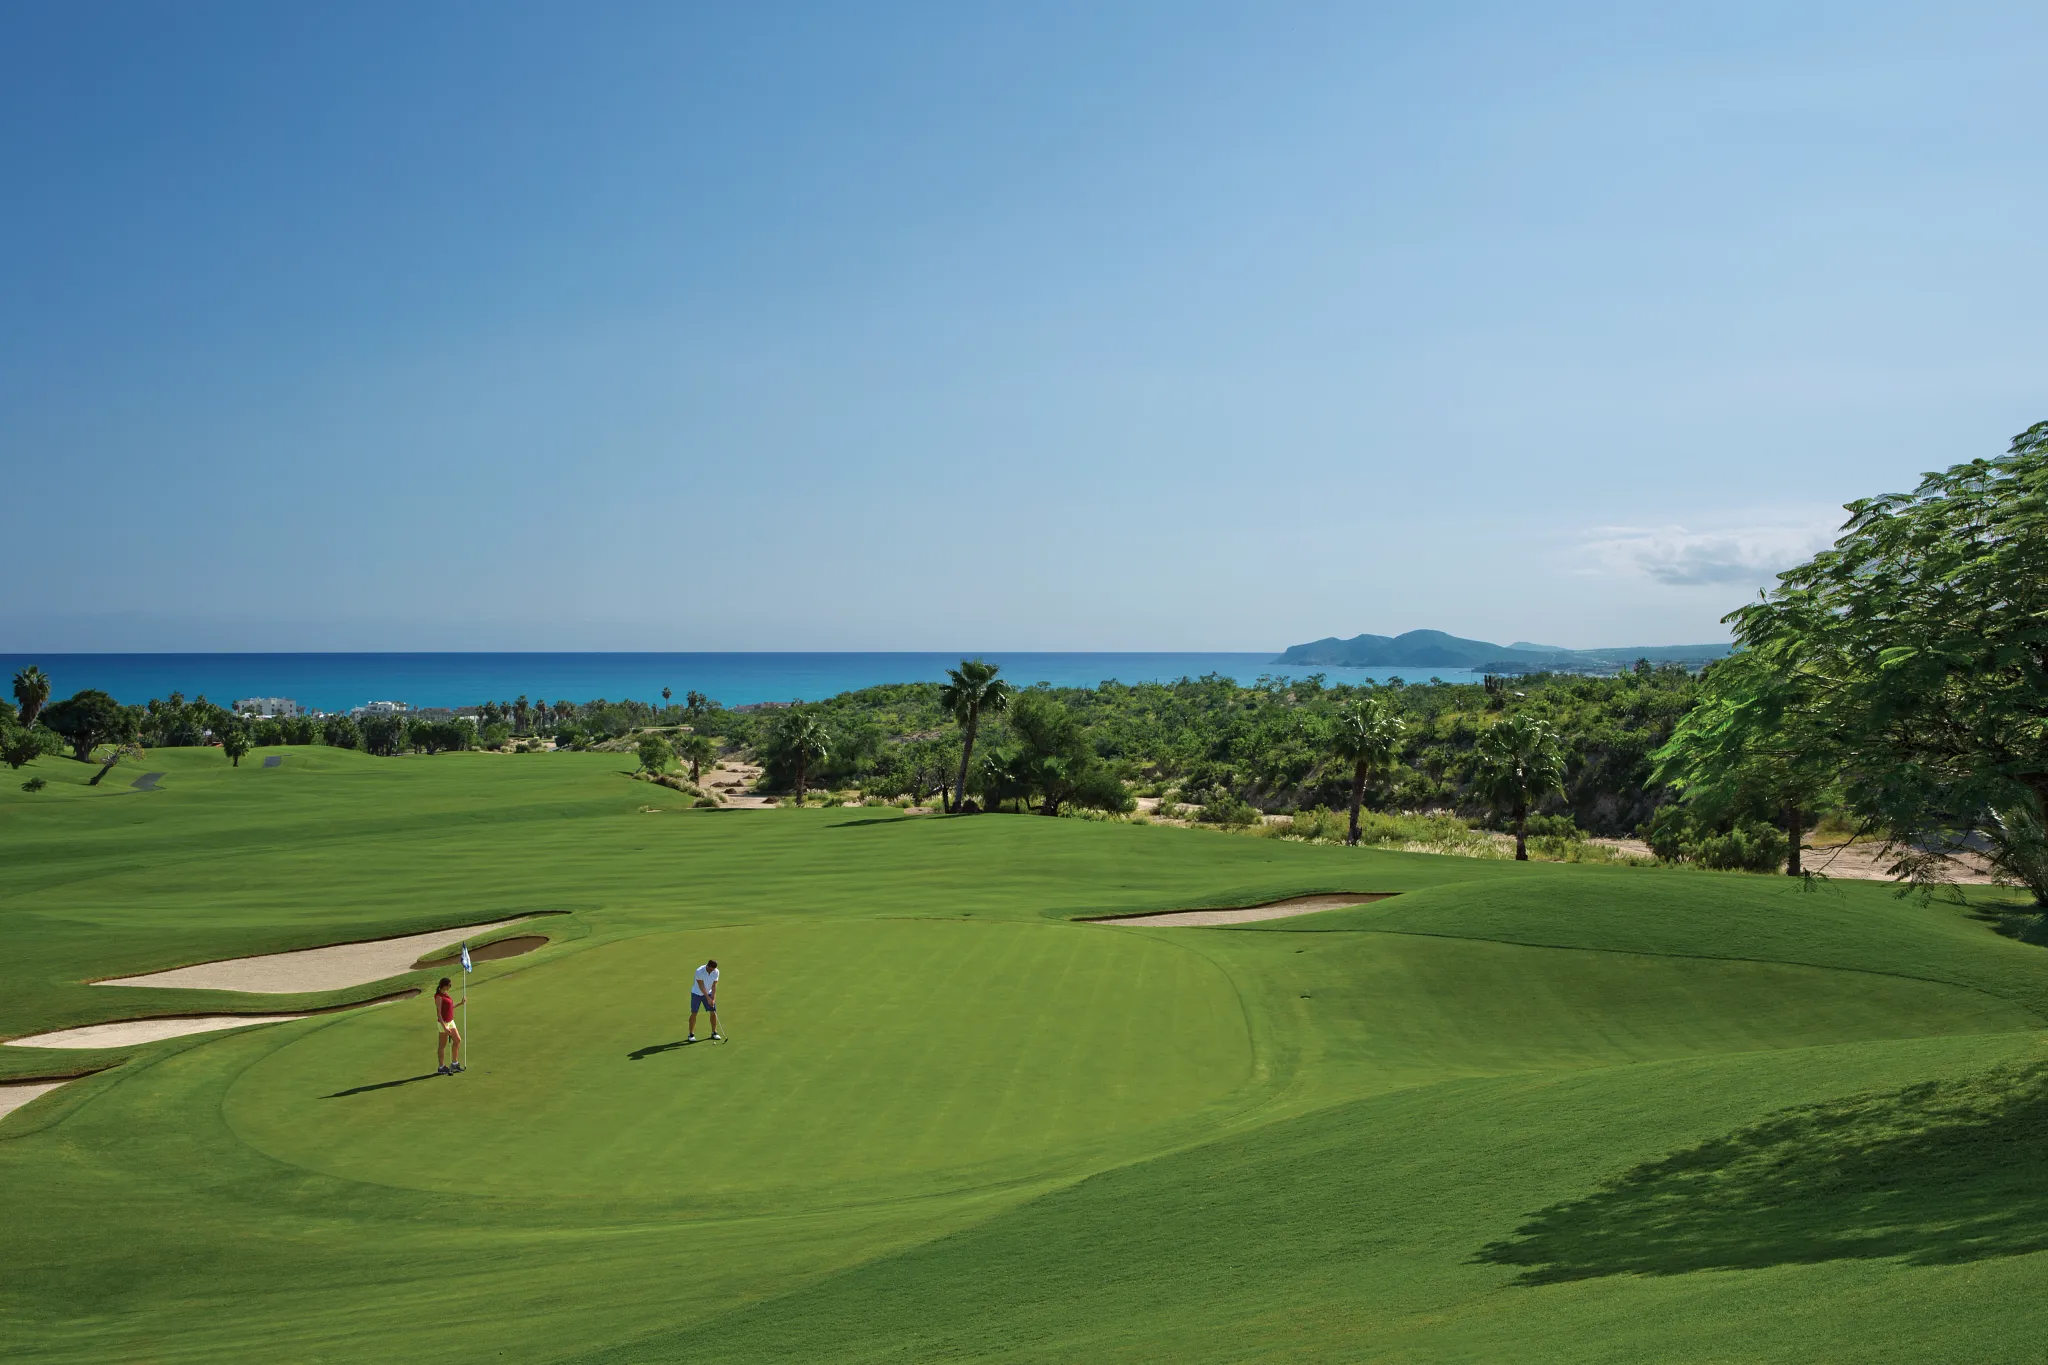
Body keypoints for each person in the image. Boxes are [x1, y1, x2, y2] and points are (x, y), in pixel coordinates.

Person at [434, 976, 464, 1074]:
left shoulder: (445, 995)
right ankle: (441, 1067)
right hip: (443, 1023)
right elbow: (439, 1013)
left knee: (457, 1040)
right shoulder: (439, 997)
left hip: (450, 1021)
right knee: (442, 1045)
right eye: (449, 985)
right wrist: (444, 1027)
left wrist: (460, 1003)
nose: (450, 986)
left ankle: (454, 1064)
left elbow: (450, 1007)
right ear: (444, 985)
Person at [688, 958, 721, 1043]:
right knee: (694, 1013)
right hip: (697, 993)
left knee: (713, 1012)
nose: (711, 971)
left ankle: (714, 1032)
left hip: (709, 993)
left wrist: (713, 998)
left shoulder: (716, 972)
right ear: (707, 965)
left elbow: (714, 986)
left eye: (713, 969)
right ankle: (691, 1034)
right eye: (710, 969)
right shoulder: (699, 971)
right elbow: (701, 986)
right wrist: (708, 998)